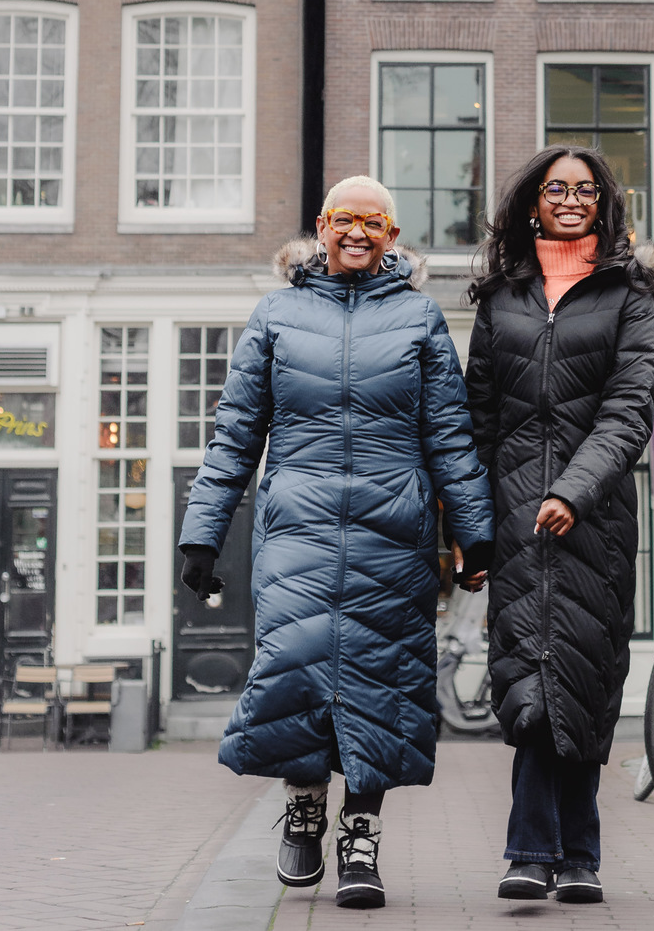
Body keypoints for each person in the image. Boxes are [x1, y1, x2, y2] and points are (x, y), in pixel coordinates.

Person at [178, 176, 494, 911]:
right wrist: (203, 535)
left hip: (395, 529)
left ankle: (360, 835)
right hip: (299, 528)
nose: (357, 231)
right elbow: (235, 433)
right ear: (322, 228)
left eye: (373, 221)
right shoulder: (276, 314)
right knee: (297, 668)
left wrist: (475, 534)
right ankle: (304, 804)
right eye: (344, 219)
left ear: (392, 236)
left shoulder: (419, 319)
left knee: (382, 681)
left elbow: (449, 435)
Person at [465, 146, 654, 906]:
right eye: (557, 190)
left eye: (586, 190)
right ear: (533, 204)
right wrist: (473, 532)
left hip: (599, 519)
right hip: (517, 516)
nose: (572, 200)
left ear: (604, 204)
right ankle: (554, 853)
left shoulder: (631, 296)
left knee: (581, 675)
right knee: (529, 678)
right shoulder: (501, 300)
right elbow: (477, 421)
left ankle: (561, 852)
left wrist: (575, 492)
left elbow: (626, 411)